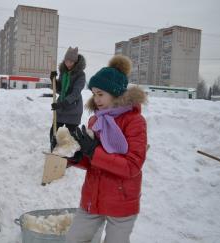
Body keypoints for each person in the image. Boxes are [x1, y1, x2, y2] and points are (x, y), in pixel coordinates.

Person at [66, 55, 147, 243]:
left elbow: (131, 166)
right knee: (73, 239)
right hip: (92, 197)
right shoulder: (96, 120)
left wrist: (94, 151)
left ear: (116, 93)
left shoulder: (134, 122)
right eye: (94, 94)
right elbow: (94, 162)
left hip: (122, 201)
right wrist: (77, 155)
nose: (96, 99)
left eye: (100, 94)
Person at [49, 46, 86, 151]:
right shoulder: (63, 72)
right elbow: (60, 90)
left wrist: (62, 103)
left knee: (70, 137)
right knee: (54, 133)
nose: (68, 63)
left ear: (75, 62)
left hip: (73, 108)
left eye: (70, 61)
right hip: (62, 109)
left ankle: (70, 156)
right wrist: (53, 80)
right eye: (66, 61)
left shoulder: (80, 75)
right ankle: (54, 152)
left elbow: (75, 93)